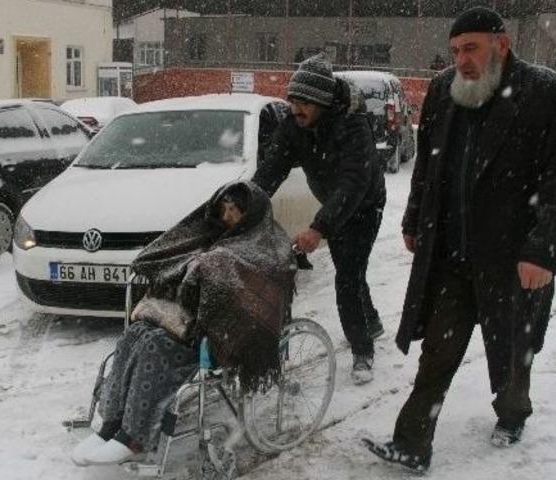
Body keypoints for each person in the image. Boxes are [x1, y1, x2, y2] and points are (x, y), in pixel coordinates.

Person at [362, 6, 556, 472]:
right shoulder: (445, 90)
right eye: (455, 50)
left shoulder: (548, 94)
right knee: (437, 354)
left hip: (514, 256)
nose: (462, 59)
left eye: (471, 48)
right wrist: (414, 220)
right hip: (453, 254)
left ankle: (513, 413)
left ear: (501, 44)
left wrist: (543, 251)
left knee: (512, 351)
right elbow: (428, 163)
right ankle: (412, 443)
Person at [71, 181, 295, 466]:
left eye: (234, 211)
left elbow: (244, 292)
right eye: (223, 210)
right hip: (184, 321)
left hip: (222, 334)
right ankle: (110, 423)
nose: (227, 218)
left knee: (153, 345)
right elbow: (181, 259)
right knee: (134, 335)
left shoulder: (266, 245)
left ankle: (134, 436)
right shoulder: (213, 235)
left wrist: (207, 269)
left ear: (249, 214)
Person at [252, 53, 387, 386]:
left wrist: (318, 227)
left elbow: (354, 181)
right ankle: (371, 320)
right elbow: (272, 168)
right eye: (292, 101)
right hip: (333, 203)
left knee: (347, 278)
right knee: (349, 269)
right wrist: (246, 203)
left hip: (365, 205)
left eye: (304, 104)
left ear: (323, 103)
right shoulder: (294, 124)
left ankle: (362, 349)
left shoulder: (353, 123)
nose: (296, 110)